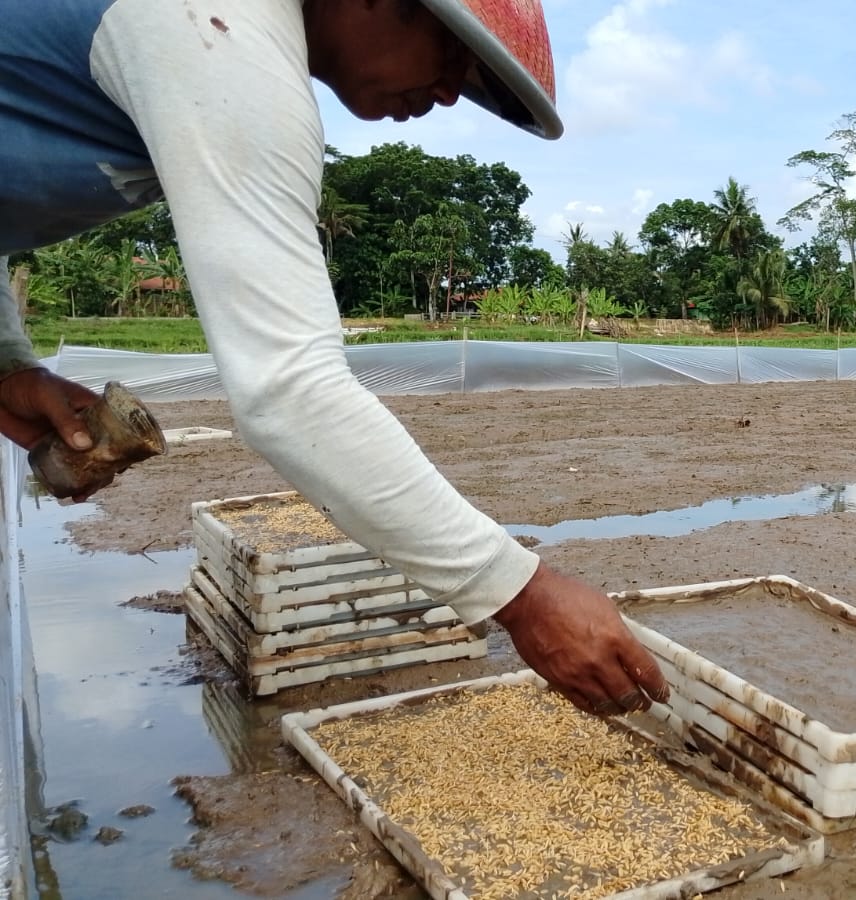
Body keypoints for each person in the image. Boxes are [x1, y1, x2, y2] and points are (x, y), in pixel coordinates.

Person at [0, 0, 669, 717]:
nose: (448, 92)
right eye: (451, 54)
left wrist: (10, 366)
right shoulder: (219, 31)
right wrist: (521, 593)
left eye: (469, 84)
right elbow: (289, 390)